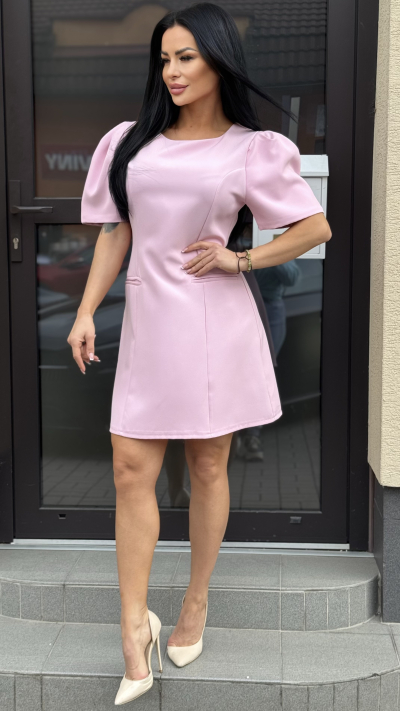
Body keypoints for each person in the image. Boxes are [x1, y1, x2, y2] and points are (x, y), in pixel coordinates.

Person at [67, 2, 332, 705]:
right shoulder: (129, 142)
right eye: (164, 59)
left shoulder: (251, 148)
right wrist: (87, 309)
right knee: (130, 467)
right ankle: (134, 629)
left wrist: (242, 259)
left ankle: (195, 600)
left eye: (186, 57)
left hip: (214, 321)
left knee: (208, 463)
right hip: (149, 322)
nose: (172, 71)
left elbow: (314, 227)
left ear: (218, 61)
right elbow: (115, 232)